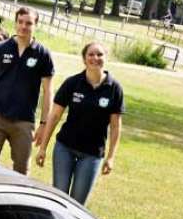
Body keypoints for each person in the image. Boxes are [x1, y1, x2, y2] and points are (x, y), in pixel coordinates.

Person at [35, 42, 124, 205]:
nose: (95, 58)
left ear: (105, 58)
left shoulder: (114, 88)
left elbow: (115, 126)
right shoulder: (72, 83)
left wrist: (111, 157)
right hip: (65, 148)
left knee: (77, 203)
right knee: (59, 198)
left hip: (92, 154)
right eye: (91, 54)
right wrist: (43, 148)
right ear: (84, 59)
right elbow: (54, 116)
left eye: (99, 54)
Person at [0, 6, 54, 174]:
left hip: (24, 122)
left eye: (29, 23)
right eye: (20, 22)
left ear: (36, 25)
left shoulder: (43, 54)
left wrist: (43, 124)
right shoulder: (0, 48)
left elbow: (48, 91)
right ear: (15, 23)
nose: (23, 26)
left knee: (21, 170)